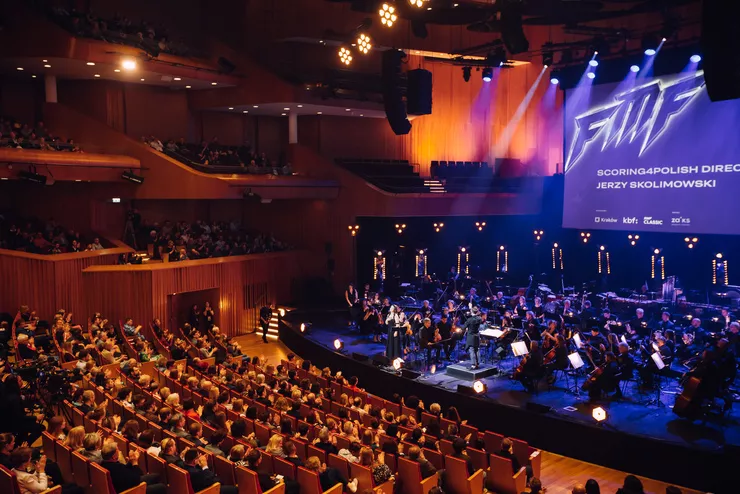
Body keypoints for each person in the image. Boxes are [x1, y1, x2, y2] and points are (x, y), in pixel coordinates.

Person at [100, 440, 167, 494]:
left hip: (126, 483)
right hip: (130, 490)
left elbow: (125, 471)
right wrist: (135, 462)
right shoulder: (117, 469)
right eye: (117, 450)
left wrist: (130, 461)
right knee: (162, 487)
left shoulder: (103, 464)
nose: (119, 451)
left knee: (156, 476)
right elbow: (137, 478)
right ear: (114, 456)